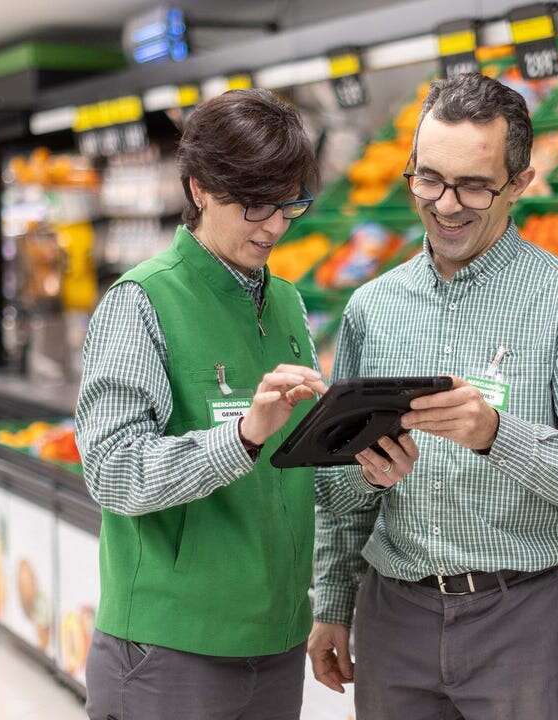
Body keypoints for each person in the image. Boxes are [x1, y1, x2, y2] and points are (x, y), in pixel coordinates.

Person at [308, 73, 558, 720]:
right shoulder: (372, 310)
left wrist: (496, 434)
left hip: (524, 619)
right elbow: (334, 487)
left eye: (474, 185)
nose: (446, 204)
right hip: (393, 615)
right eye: (429, 179)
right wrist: (333, 600)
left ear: (519, 183)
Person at [76, 89, 330, 720]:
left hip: (276, 638)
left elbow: (296, 469)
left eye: (290, 205)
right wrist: (242, 436)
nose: (274, 226)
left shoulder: (290, 306)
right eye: (254, 205)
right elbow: (111, 471)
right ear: (199, 190)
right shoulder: (142, 303)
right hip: (170, 649)